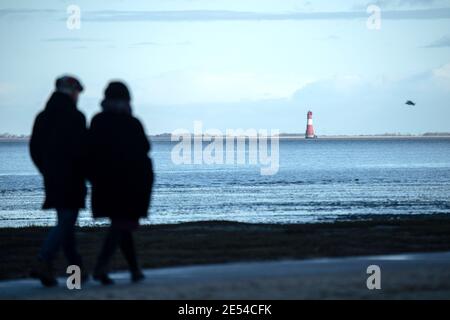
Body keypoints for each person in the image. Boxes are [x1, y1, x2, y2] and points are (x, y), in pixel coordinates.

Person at [87, 81, 154, 285]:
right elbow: (144, 148)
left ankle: (134, 270)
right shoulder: (132, 122)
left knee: (121, 225)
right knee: (121, 225)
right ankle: (101, 267)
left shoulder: (98, 121)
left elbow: (90, 152)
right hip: (129, 184)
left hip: (106, 183)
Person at [29, 75, 87, 287]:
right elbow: (83, 150)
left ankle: (77, 275)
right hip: (72, 179)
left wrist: (46, 170)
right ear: (72, 92)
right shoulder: (76, 117)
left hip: (52, 177)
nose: (78, 96)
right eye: (77, 92)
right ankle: (44, 260)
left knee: (67, 225)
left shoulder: (42, 117)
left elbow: (34, 149)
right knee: (66, 221)